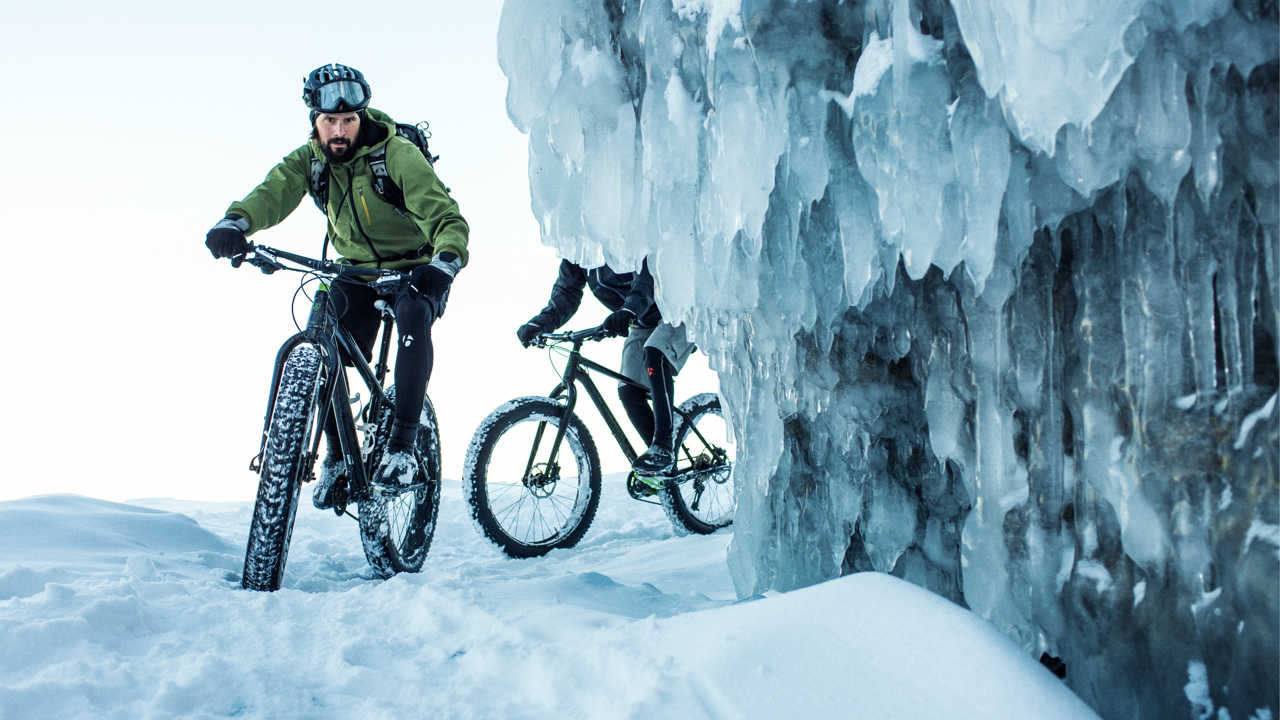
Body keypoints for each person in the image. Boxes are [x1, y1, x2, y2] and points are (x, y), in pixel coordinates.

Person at [204, 63, 468, 508]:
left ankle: (403, 444)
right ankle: (337, 457)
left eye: (348, 120)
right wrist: (237, 222)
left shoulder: (397, 155)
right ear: (315, 121)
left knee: (412, 314)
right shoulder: (309, 160)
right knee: (324, 332)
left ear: (361, 116)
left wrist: (444, 261)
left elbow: (445, 216)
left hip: (415, 268)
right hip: (355, 270)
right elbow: (274, 191)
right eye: (330, 122)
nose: (339, 131)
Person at [516, 259, 694, 483]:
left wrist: (629, 309)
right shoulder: (579, 250)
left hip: (677, 311)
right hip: (642, 320)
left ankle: (663, 448)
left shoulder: (621, 232)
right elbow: (566, 294)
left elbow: (649, 274)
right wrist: (540, 324)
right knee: (629, 390)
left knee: (655, 354)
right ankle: (662, 469)